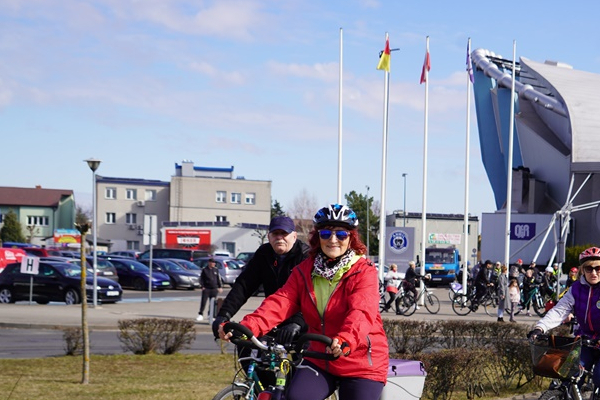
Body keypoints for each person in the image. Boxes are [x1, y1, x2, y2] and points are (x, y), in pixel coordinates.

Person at [219, 204, 389, 400]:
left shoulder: (363, 271)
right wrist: (248, 327)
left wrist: (345, 339)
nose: (333, 240)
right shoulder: (305, 270)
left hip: (360, 361)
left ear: (351, 238)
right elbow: (281, 302)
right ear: (318, 237)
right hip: (320, 357)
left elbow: (362, 312)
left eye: (341, 234)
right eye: (326, 233)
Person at [212, 215, 310, 344]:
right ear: (269, 236)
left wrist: (297, 322)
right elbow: (244, 286)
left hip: (303, 322)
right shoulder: (264, 254)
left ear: (294, 236)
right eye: (275, 234)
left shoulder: (306, 257)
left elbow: (311, 297)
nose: (279, 238)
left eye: (284, 233)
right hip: (272, 317)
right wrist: (224, 314)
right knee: (249, 349)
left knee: (304, 353)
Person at [528, 247, 600, 389]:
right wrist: (540, 328)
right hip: (584, 341)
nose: (593, 273)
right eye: (589, 268)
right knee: (567, 375)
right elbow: (559, 311)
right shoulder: (576, 288)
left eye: (598, 268)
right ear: (582, 270)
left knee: (599, 377)